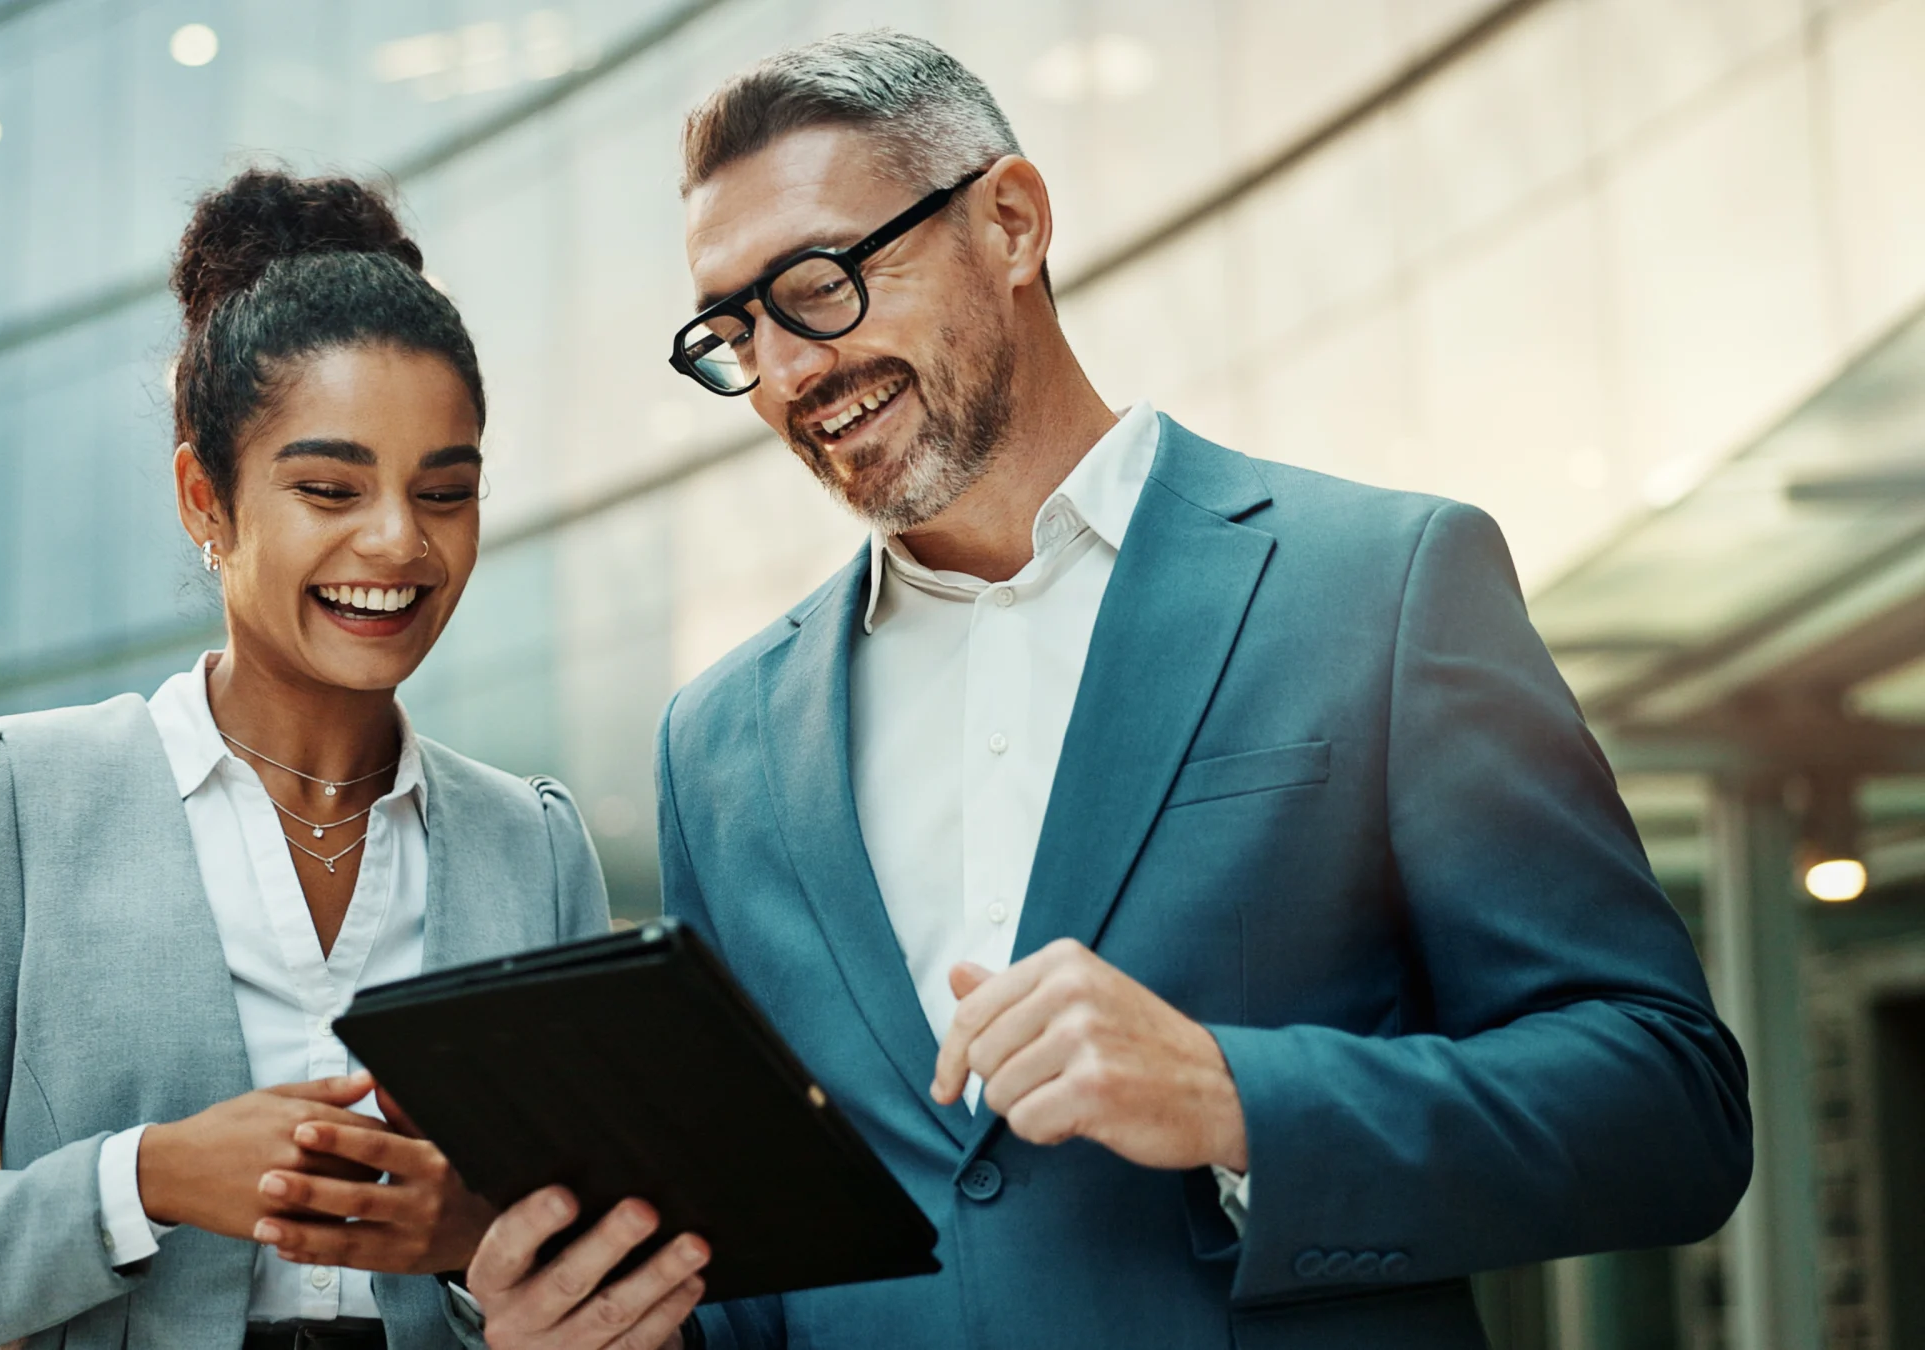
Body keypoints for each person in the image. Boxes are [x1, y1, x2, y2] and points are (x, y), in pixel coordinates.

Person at [460, 31, 1752, 1350]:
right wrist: (616, 1323)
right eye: (733, 331)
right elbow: (765, 1264)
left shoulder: (1383, 583)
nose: (787, 371)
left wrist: (1240, 1093)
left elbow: (1666, 1105)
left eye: (819, 284)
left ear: (1010, 221)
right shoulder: (716, 741)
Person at [0, 169, 609, 1350]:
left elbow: (586, 1268)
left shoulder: (533, 843)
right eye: (328, 487)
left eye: (446, 492)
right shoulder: (13, 796)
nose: (397, 542)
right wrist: (145, 1179)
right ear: (203, 498)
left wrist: (468, 1241)